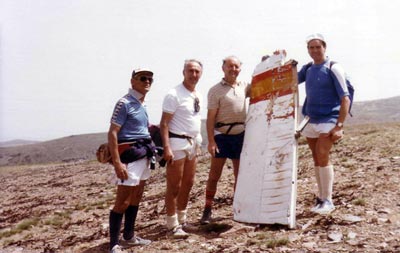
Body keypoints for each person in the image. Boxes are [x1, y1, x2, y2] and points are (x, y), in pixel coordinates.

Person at [297, 33, 351, 215]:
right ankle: (321, 198)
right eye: (311, 48)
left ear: (324, 47)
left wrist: (339, 126)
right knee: (316, 157)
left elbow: (345, 98)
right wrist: (276, 62)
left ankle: (328, 200)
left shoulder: (333, 67)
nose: (314, 50)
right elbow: (290, 80)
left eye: (317, 47)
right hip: (311, 119)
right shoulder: (308, 68)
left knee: (322, 154)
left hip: (329, 118)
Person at [107, 68, 155, 253]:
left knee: (136, 197)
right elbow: (112, 132)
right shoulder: (124, 103)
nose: (147, 81)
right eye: (143, 78)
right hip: (129, 155)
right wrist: (117, 163)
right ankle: (114, 244)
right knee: (123, 200)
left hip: (143, 154)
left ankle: (129, 236)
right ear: (133, 81)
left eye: (150, 78)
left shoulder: (143, 104)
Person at [200, 56, 250, 224]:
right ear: (223, 68)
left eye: (236, 66)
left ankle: (238, 209)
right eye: (230, 66)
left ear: (240, 69)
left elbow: (263, 86)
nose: (233, 69)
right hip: (221, 136)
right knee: (214, 175)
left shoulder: (245, 87)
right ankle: (207, 209)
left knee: (240, 175)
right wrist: (211, 141)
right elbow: (210, 117)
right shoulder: (215, 90)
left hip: (240, 135)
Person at [160, 59, 203, 238]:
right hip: (177, 144)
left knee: (189, 182)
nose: (194, 75)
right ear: (183, 72)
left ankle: (182, 219)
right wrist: (166, 147)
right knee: (174, 185)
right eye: (190, 71)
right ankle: (172, 223)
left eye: (197, 71)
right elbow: (164, 123)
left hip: (192, 144)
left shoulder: (196, 94)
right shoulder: (174, 94)